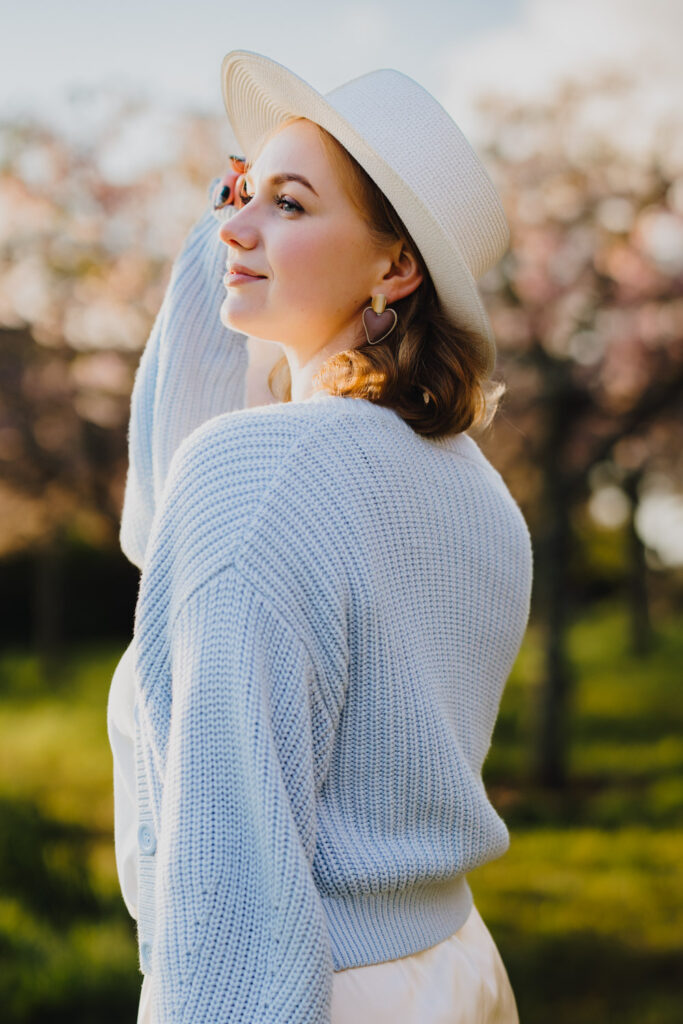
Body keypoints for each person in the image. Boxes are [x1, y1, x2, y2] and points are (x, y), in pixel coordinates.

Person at [106, 49, 533, 1024]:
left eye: (288, 205)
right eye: (235, 194)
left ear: (395, 265)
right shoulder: (484, 502)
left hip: (306, 987)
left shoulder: (254, 472)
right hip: (457, 967)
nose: (232, 228)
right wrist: (262, 209)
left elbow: (238, 875)